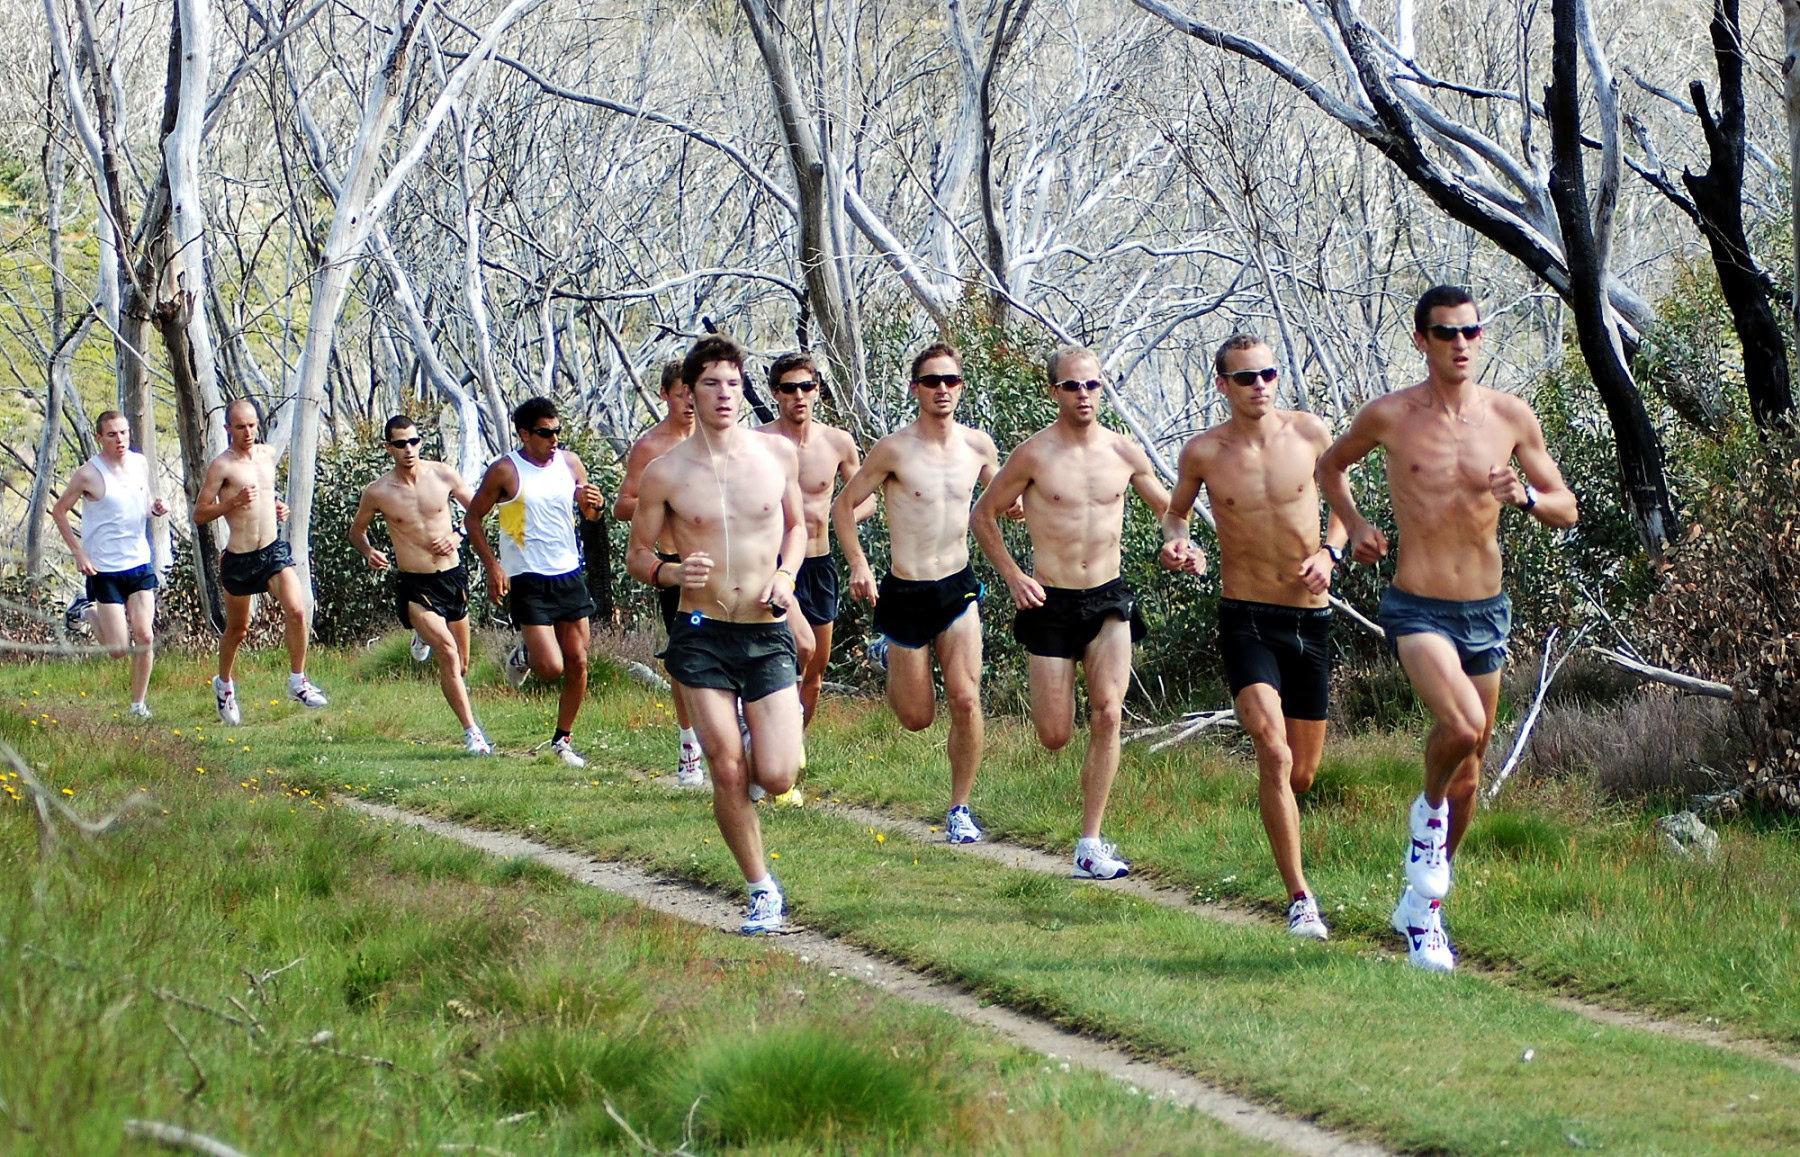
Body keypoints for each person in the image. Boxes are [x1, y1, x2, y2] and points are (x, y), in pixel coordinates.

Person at [1318, 285, 1578, 971]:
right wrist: (1357, 528)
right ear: (1421, 341)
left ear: (1480, 337)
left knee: (1470, 773)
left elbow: (1566, 507)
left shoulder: (1509, 417)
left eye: (1470, 331)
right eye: (1445, 332)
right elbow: (1330, 465)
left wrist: (1523, 494)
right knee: (1459, 727)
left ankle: (1423, 910)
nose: (1460, 343)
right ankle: (1423, 828)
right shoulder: (1390, 416)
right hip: (1417, 605)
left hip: (1485, 612)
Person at [1160, 334, 1346, 941]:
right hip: (1247, 618)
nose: (1260, 384)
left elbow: (1344, 505)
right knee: (1272, 750)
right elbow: (1178, 512)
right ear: (1222, 385)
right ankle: (1300, 898)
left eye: (1267, 373)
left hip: (1311, 619)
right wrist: (1179, 544)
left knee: (1302, 774)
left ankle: (1277, 820)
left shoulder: (1312, 434)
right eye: (1245, 377)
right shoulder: (1204, 453)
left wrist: (1331, 552)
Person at [627, 335, 806, 934]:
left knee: (778, 773)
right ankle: (761, 889)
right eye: (711, 384)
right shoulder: (665, 472)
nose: (724, 394)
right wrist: (672, 571)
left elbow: (799, 529)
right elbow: (637, 554)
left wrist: (786, 574)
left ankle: (755, 779)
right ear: (690, 393)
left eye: (733, 383)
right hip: (700, 632)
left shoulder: (775, 455)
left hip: (765, 630)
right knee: (726, 767)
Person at [972, 344, 1171, 879]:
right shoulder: (1034, 455)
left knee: (1108, 714)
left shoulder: (1125, 453)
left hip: (1108, 597)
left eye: (1092, 385)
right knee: (1055, 733)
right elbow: (983, 514)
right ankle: (1083, 830)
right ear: (1054, 391)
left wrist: (1181, 542)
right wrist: (1014, 576)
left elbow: (1169, 509)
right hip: (1049, 600)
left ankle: (1090, 841)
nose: (1083, 395)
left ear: (1103, 388)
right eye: (1072, 386)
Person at [833, 343, 1009, 843]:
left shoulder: (979, 446)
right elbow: (843, 508)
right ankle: (889, 651)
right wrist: (859, 564)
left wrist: (1015, 509)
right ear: (915, 388)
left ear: (960, 386)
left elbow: (997, 500)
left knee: (965, 697)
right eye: (931, 381)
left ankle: (960, 808)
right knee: (916, 718)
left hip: (957, 586)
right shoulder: (894, 449)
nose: (942, 390)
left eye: (950, 381)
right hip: (904, 590)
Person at [465, 397, 606, 768]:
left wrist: (596, 504)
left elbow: (589, 514)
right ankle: (525, 654)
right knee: (551, 668)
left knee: (577, 660)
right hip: (527, 575)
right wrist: (493, 565)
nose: (554, 439)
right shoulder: (505, 471)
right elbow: (473, 519)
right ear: (525, 434)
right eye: (545, 433)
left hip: (568, 571)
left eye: (557, 431)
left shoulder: (570, 463)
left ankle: (563, 740)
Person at [349, 416, 489, 754]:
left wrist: (458, 535)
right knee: (448, 651)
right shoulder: (378, 492)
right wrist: (368, 550)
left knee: (462, 664)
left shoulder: (443, 475)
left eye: (413, 441)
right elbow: (356, 532)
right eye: (400, 444)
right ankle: (472, 733)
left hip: (452, 578)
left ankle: (421, 634)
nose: (408, 449)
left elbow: (479, 512)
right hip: (415, 584)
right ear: (388, 448)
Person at [758, 351, 875, 725]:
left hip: (820, 564)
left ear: (817, 389)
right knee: (794, 651)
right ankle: (765, 735)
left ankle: (794, 747)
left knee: (815, 672)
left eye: (807, 387)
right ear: (776, 393)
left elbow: (867, 500)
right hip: (774, 566)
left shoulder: (838, 442)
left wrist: (837, 518)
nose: (799, 396)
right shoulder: (758, 442)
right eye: (789, 388)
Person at [193, 399, 328, 723]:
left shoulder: (267, 456)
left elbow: (269, 495)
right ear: (228, 429)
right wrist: (233, 502)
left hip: (271, 552)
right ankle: (224, 685)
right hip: (240, 557)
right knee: (238, 630)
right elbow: (200, 513)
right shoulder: (222, 466)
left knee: (297, 610)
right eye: (240, 426)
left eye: (252, 425)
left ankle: (298, 680)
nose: (248, 432)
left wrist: (279, 507)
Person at [615, 362, 707, 785]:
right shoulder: (650, 447)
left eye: (694, 392)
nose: (688, 402)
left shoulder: (716, 440)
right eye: (679, 393)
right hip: (673, 567)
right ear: (664, 395)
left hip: (719, 564)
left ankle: (738, 737)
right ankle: (689, 747)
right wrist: (664, 500)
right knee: (684, 660)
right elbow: (623, 505)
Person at [51, 410, 170, 718]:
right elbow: (60, 511)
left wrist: (156, 508)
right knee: (118, 650)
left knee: (145, 637)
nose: (120, 440)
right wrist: (79, 553)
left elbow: (142, 504)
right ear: (99, 438)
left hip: (139, 563)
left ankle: (137, 706)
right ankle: (88, 610)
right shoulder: (89, 473)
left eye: (124, 432)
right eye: (113, 434)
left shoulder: (140, 463)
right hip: (104, 569)